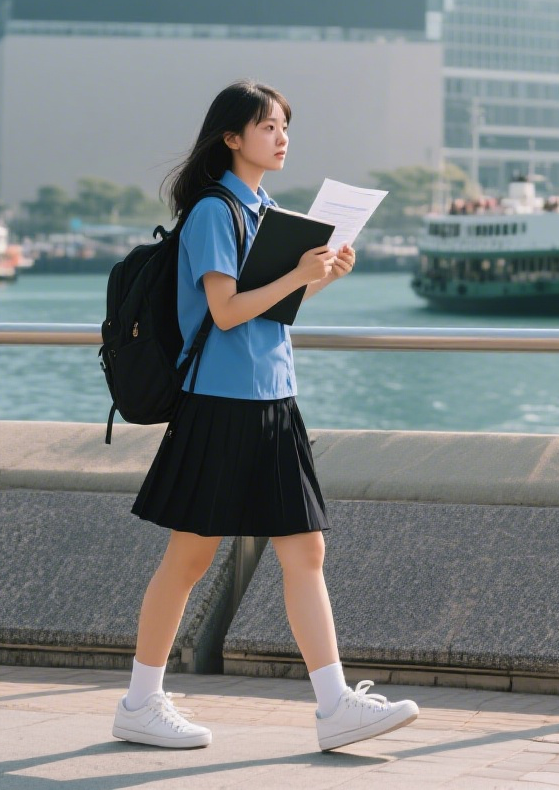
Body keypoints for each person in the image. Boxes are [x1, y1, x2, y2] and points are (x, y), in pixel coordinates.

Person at [112, 79, 420, 753]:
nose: (282, 137)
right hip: (220, 407)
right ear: (232, 137)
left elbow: (269, 307)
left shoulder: (267, 209)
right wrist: (293, 275)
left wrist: (321, 273)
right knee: (188, 560)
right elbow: (225, 311)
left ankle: (336, 704)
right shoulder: (212, 214)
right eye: (269, 127)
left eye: (285, 126)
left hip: (273, 400)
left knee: (306, 549)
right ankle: (140, 701)